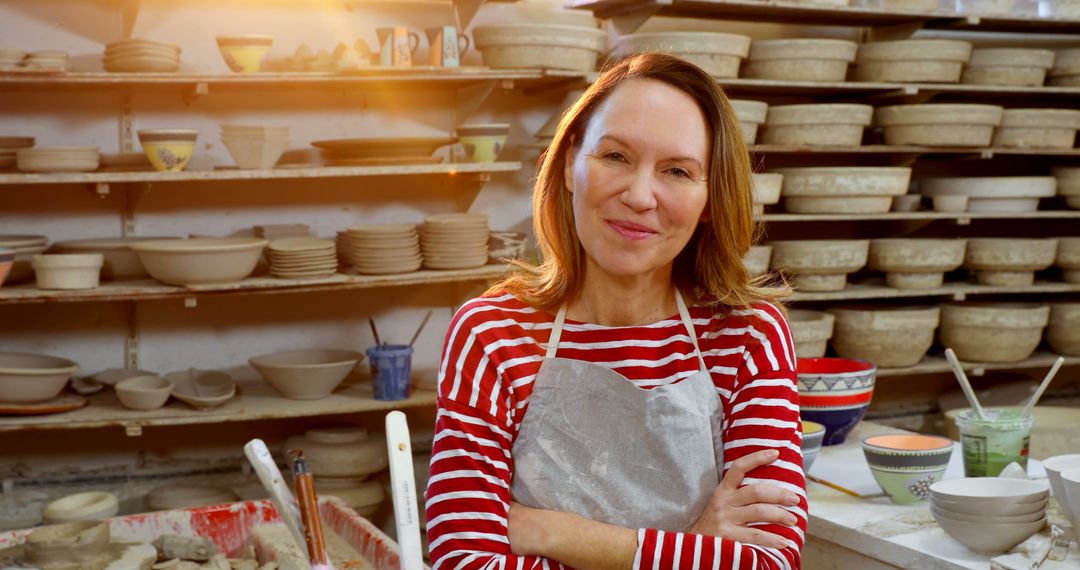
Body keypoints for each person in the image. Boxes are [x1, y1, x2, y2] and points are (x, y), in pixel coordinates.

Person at [425, 52, 806, 570]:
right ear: (567, 166)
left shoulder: (747, 336)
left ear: (710, 200)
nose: (640, 195)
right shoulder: (492, 335)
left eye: (676, 170)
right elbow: (464, 562)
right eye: (616, 157)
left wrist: (555, 532)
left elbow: (769, 562)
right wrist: (696, 540)